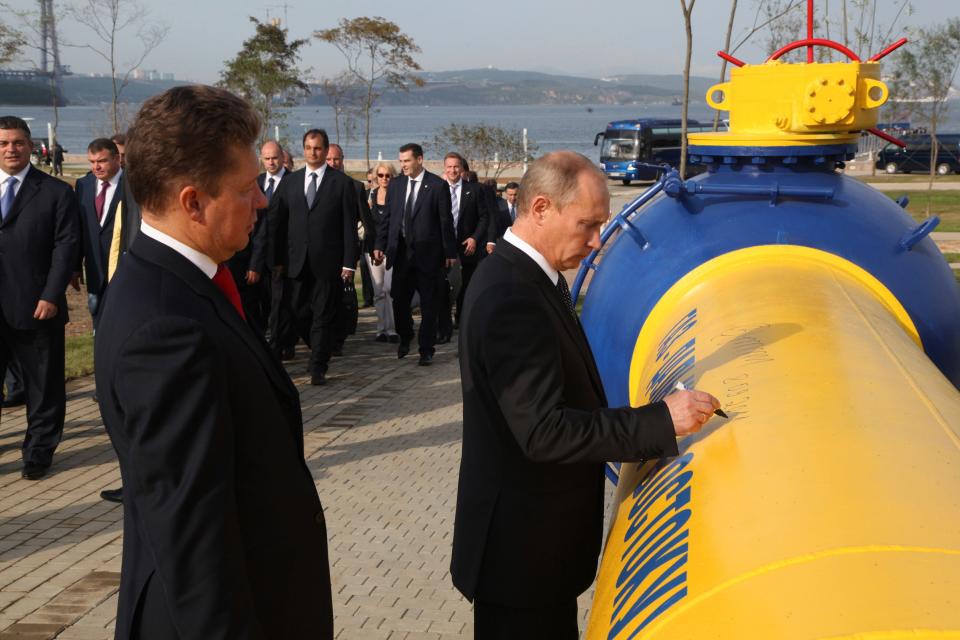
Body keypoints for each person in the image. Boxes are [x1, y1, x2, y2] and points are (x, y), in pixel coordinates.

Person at [95, 85, 334, 639]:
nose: (263, 201)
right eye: (247, 188)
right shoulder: (166, 329)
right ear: (192, 201)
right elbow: (192, 537)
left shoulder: (178, 285)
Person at [451, 151, 720, 639]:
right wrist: (660, 422)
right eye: (587, 225)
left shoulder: (529, 278)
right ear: (539, 209)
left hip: (533, 554)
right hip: (520, 559)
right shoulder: (511, 296)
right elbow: (543, 431)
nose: (596, 241)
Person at [0, 116, 81, 481]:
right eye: (3, 143)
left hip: (37, 307)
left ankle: (38, 451)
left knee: (43, 385)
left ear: (31, 146)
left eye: (17, 142)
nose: (10, 149)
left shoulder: (55, 192)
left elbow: (66, 247)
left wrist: (52, 294)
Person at [269, 129, 358, 386]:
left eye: (317, 148)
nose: (312, 152)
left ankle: (318, 365)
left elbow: (348, 227)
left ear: (325, 149)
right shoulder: (291, 182)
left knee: (322, 314)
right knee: (296, 312)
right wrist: (275, 260)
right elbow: (277, 222)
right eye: (308, 147)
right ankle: (320, 344)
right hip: (295, 263)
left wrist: (348, 264)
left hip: (327, 264)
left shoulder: (340, 184)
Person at [373, 143, 456, 366]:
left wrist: (449, 251)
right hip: (400, 254)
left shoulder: (437, 186)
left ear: (419, 160)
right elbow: (387, 219)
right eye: (400, 161)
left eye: (407, 161)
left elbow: (445, 221)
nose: (403, 165)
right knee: (399, 300)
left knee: (429, 305)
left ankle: (426, 349)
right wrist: (380, 244)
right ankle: (406, 335)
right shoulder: (397, 184)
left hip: (429, 256)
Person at [75, 138, 134, 328]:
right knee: (98, 327)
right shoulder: (83, 185)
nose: (96, 167)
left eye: (102, 161)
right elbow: (79, 227)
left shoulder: (133, 185)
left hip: (125, 270)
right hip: (94, 271)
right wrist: (75, 266)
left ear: (117, 159)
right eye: (92, 162)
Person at [227, 139, 283, 334]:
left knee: (278, 306)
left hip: (281, 258)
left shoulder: (293, 182)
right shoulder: (255, 183)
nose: (271, 162)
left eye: (275, 158)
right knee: (255, 305)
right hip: (251, 259)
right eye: (267, 158)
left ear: (282, 158)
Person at [439, 153, 489, 339]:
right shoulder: (437, 188)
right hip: (443, 247)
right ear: (444, 168)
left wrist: (475, 238)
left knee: (465, 286)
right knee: (443, 287)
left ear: (462, 168)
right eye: (449, 167)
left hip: (467, 247)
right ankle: (443, 328)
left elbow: (484, 217)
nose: (452, 170)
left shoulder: (474, 190)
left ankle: (462, 320)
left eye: (456, 167)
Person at [367, 162, 399, 342]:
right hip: (372, 249)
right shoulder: (368, 196)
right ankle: (381, 329)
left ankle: (393, 329)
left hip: (392, 248)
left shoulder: (397, 196)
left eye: (388, 175)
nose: (384, 179)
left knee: (389, 289)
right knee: (378, 291)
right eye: (380, 175)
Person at [486, 181, 518, 254]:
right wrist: (491, 241)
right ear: (506, 194)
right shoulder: (498, 207)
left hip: (519, 244)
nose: (513, 197)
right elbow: (493, 225)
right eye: (510, 195)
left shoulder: (524, 207)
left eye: (515, 194)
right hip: (502, 243)